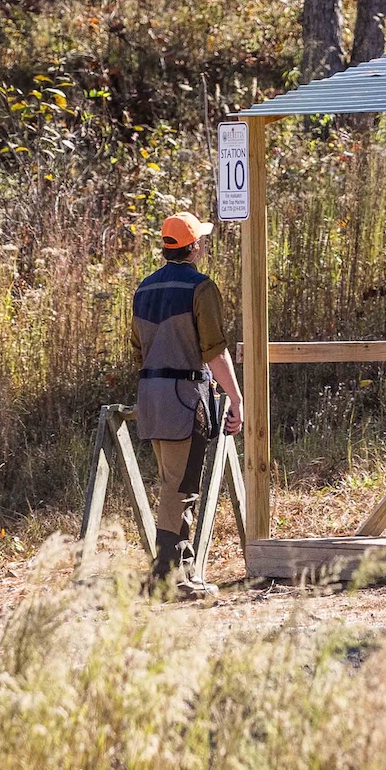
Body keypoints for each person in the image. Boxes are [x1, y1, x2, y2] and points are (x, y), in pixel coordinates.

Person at [130, 211, 246, 596]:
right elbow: (215, 351)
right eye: (201, 240)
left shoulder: (143, 290)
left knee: (172, 484)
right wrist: (236, 397)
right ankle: (167, 579)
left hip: (151, 396)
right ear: (194, 247)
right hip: (184, 399)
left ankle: (180, 572)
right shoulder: (201, 288)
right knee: (179, 490)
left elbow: (136, 349)